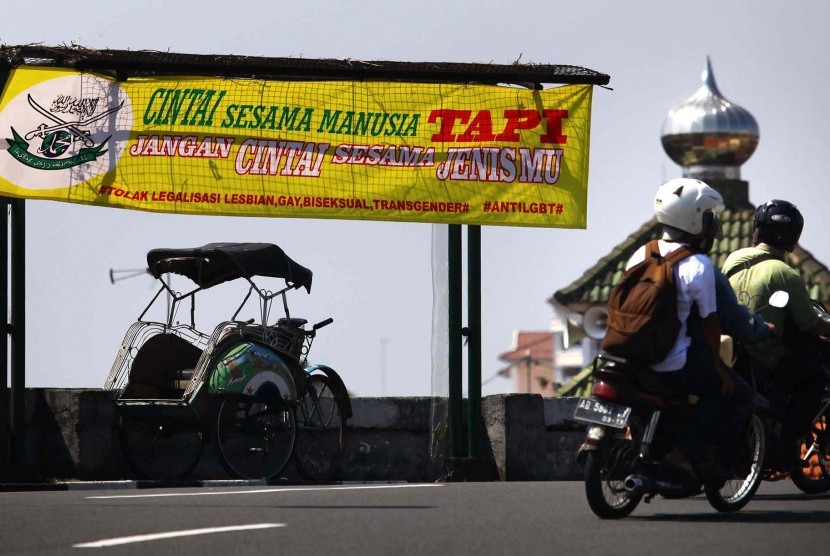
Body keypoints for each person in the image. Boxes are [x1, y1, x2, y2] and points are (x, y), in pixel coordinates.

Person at [631, 178, 755, 484]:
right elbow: (716, 324)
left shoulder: (641, 253)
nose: (712, 224)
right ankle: (684, 454)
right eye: (709, 216)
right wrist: (719, 367)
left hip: (627, 355)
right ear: (695, 218)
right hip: (671, 362)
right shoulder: (699, 266)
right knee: (733, 393)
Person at [722, 199, 830, 471]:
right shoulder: (787, 274)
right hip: (764, 356)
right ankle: (785, 447)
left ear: (757, 230)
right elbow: (809, 323)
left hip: (729, 348)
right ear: (794, 238)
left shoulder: (733, 259)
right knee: (814, 382)